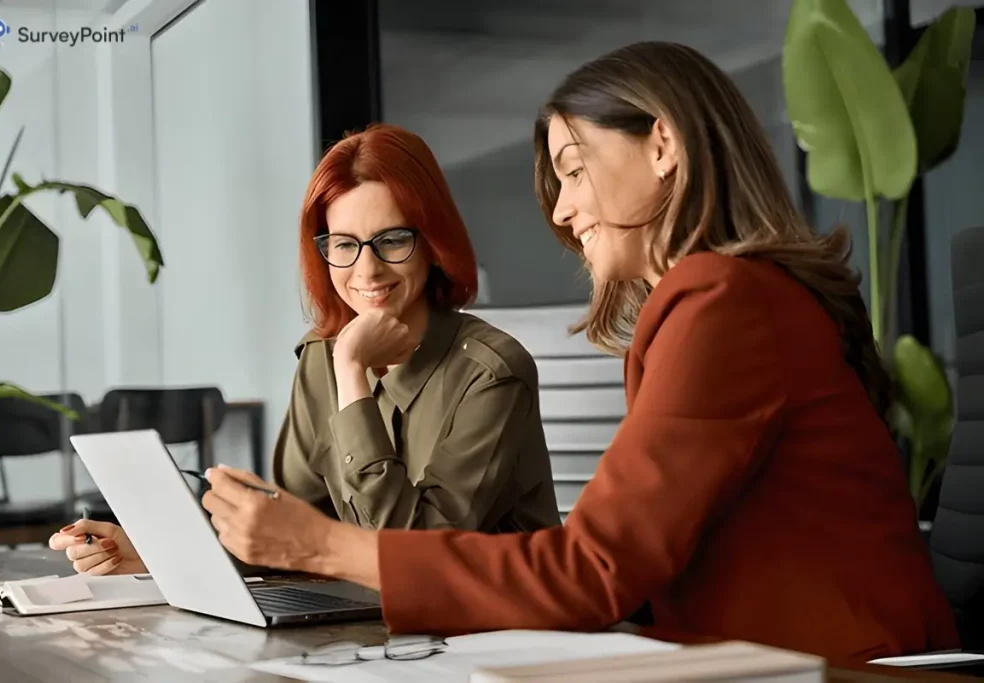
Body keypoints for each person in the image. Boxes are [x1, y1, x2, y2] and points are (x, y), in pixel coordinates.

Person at [195, 42, 961, 663]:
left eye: (571, 167)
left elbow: (592, 569)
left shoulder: (726, 302)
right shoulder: (729, 300)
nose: (561, 210)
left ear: (662, 143)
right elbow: (621, 568)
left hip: (836, 667)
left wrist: (327, 546)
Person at [49, 124, 561, 576]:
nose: (367, 270)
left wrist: (352, 372)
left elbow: (412, 554)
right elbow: (293, 527)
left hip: (485, 633)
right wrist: (152, 550)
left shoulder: (491, 372)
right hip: (366, 624)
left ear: (432, 242)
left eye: (392, 240)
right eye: (344, 244)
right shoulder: (321, 357)